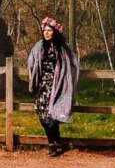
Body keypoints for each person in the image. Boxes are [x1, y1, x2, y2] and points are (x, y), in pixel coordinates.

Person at [27, 16, 80, 157]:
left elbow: (72, 65)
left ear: (55, 32)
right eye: (44, 30)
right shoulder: (39, 47)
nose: (46, 32)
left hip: (58, 87)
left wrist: (67, 82)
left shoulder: (62, 49)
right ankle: (55, 142)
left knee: (52, 115)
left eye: (49, 30)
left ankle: (53, 144)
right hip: (43, 87)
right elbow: (31, 62)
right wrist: (34, 78)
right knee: (43, 115)